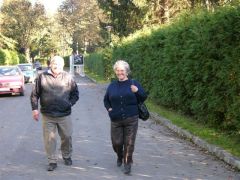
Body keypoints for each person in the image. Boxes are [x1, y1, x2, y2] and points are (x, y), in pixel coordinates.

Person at [30, 56, 79, 171]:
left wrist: (69, 104)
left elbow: (75, 94)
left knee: (67, 136)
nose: (56, 66)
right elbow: (34, 94)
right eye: (54, 63)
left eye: (59, 64)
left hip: (64, 114)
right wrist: (35, 109)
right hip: (48, 114)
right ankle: (52, 160)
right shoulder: (42, 77)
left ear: (62, 66)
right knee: (49, 139)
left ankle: (66, 156)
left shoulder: (68, 77)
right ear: (50, 65)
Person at [103, 60, 147, 174]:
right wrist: (109, 109)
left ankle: (127, 163)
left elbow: (143, 97)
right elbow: (106, 100)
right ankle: (120, 155)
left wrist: (137, 91)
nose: (119, 72)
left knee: (129, 142)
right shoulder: (112, 85)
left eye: (122, 70)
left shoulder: (134, 83)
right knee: (116, 143)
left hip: (131, 118)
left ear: (126, 71)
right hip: (116, 119)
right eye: (117, 70)